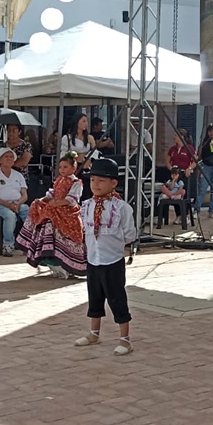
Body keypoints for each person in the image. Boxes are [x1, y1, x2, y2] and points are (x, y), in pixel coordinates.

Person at [74, 158, 137, 355]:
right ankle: (94, 333)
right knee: (94, 296)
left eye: (101, 180)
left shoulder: (121, 208)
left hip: (113, 261)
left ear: (113, 183)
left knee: (117, 298)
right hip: (94, 259)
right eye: (93, 180)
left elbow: (130, 234)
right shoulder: (86, 206)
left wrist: (115, 244)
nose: (96, 184)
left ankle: (125, 339)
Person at [18, 151, 86, 279]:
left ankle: (66, 265)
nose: (62, 170)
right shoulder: (59, 180)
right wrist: (43, 200)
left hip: (68, 214)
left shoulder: (76, 183)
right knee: (44, 218)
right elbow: (51, 194)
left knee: (56, 228)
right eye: (60, 167)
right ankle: (51, 258)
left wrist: (58, 203)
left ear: (73, 168)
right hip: (55, 211)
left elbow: (72, 200)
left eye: (65, 167)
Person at [0, 147, 30, 256]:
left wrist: (17, 203)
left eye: (11, 157)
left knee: (29, 212)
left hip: (17, 203)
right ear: (0, 159)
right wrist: (8, 205)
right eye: (6, 157)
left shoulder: (18, 175)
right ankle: (7, 245)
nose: (9, 159)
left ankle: (28, 243)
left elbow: (24, 195)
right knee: (10, 215)